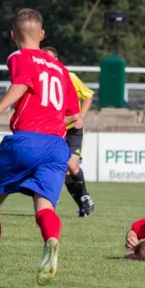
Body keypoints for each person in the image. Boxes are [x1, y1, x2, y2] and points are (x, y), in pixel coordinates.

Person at [0, 8, 80, 288]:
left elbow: (22, 83)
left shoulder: (18, 57)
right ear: (42, 35)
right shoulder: (61, 69)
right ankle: (51, 239)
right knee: (44, 207)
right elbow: (73, 114)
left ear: (12, 36)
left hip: (26, 141)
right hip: (57, 145)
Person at [42, 46, 94, 217]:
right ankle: (82, 203)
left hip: (72, 129)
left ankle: (85, 195)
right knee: (64, 171)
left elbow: (88, 95)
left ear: (57, 60)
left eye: (51, 59)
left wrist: (82, 117)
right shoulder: (43, 80)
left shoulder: (70, 77)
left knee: (72, 166)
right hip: (55, 130)